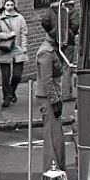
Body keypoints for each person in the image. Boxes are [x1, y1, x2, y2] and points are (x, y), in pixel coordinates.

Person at [36, 11, 66, 170]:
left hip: (52, 95)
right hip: (48, 97)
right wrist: (55, 101)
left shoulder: (52, 49)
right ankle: (52, 168)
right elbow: (46, 80)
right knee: (52, 136)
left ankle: (57, 167)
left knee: (56, 135)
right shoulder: (46, 52)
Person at [0, 0, 28, 107]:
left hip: (17, 48)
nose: (10, 7)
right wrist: (8, 35)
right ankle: (6, 97)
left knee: (17, 75)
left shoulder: (20, 18)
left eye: (11, 5)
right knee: (5, 76)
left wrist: (24, 47)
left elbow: (24, 33)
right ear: (4, 6)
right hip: (5, 49)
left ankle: (11, 92)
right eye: (7, 5)